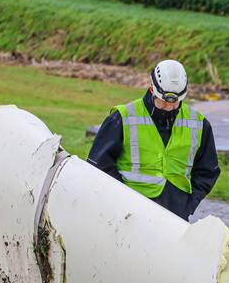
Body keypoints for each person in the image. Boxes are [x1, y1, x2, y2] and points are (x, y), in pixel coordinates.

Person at [87, 59, 220, 221]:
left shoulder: (199, 123)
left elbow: (208, 171)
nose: (169, 107)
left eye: (175, 102)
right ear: (152, 89)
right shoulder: (123, 117)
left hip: (175, 212)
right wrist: (121, 198)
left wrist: (188, 204)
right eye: (164, 101)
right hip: (129, 212)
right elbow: (98, 165)